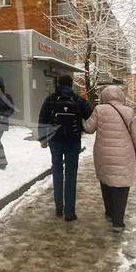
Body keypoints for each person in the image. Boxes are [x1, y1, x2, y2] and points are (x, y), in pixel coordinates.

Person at [83, 84, 136, 232]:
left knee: (106, 182)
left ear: (104, 96)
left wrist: (81, 119)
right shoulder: (129, 112)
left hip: (103, 155)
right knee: (121, 187)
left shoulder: (99, 110)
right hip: (124, 155)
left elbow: (89, 129)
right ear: (121, 96)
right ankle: (118, 222)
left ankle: (109, 213)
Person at [37, 74, 92, 221]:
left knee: (57, 172)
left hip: (55, 141)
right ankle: (69, 212)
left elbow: (42, 118)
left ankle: (58, 207)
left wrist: (43, 139)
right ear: (71, 84)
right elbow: (90, 116)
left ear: (58, 84)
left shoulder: (51, 99)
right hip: (73, 142)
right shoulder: (78, 99)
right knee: (71, 175)